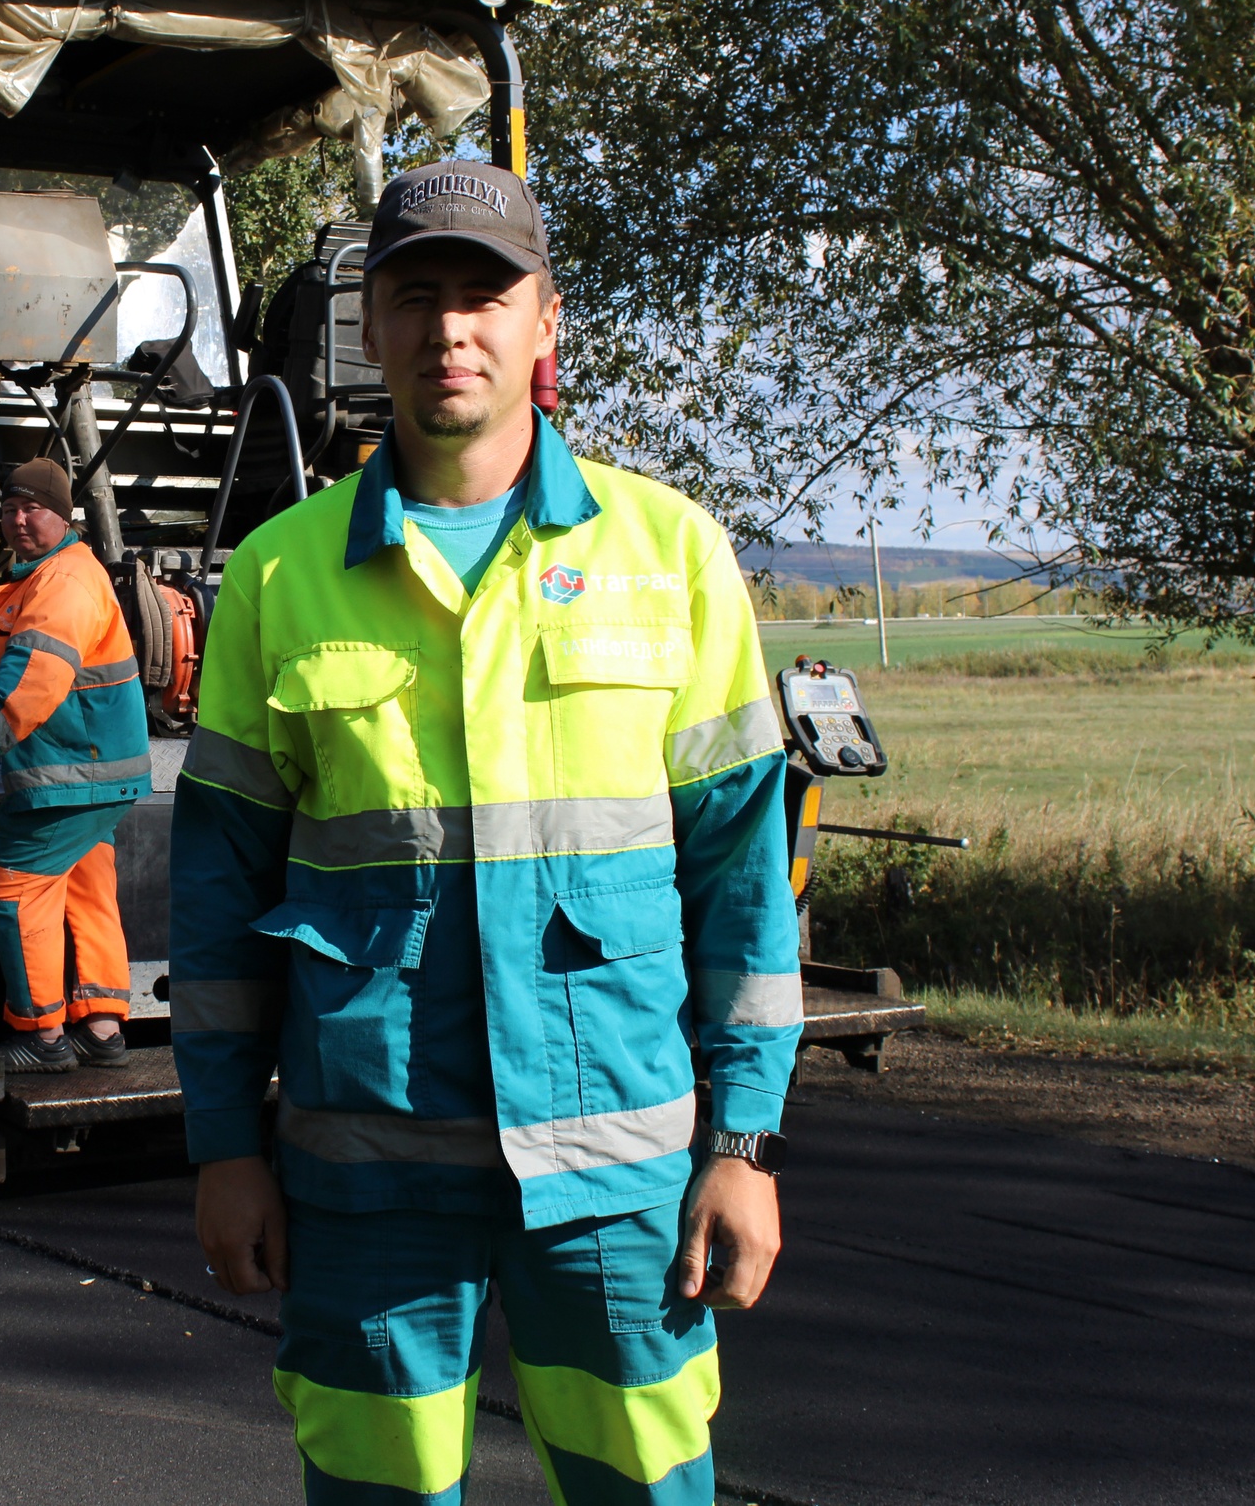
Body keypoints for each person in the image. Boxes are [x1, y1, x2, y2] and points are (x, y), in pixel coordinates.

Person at [171, 162, 800, 1505]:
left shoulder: (668, 554)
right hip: (365, 1179)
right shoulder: (277, 576)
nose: (450, 328)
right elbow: (218, 897)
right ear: (373, 328)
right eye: (415, 297)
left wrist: (742, 1147)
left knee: (645, 1484)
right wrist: (225, 1144)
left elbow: (747, 878)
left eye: (483, 295)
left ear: (544, 323)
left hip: (619, 1179)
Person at [0, 458, 153, 1072]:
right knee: (84, 887)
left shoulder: (62, 581)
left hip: (68, 773)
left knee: (7, 892)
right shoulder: (46, 572)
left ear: (62, 515)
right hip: (91, 770)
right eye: (9, 510)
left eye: (31, 509)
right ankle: (101, 1028)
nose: (17, 520)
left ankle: (40, 1036)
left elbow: (39, 664)